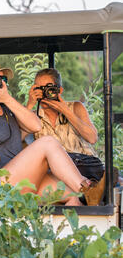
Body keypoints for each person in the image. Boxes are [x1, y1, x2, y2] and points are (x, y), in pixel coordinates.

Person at [0, 61, 101, 206]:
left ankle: (82, 218)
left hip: (21, 178)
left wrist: (7, 99)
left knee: (72, 194)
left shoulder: (6, 110)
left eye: (3, 80)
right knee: (47, 142)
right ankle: (88, 187)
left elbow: (36, 126)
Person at [26, 68, 104, 205]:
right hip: (55, 172)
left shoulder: (75, 107)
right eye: (39, 89)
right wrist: (30, 103)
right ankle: (90, 190)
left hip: (86, 164)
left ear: (59, 91)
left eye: (48, 89)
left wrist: (65, 111)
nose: (44, 93)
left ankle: (91, 186)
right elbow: (16, 137)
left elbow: (92, 138)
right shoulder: (32, 116)